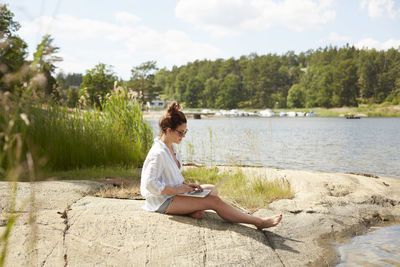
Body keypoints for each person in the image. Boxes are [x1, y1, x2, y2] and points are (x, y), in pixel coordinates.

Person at [140, 101, 282, 229]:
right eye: (181, 132)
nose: (183, 136)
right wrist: (177, 190)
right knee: (214, 201)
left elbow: (171, 176)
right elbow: (150, 184)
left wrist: (187, 186)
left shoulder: (170, 147)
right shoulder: (158, 153)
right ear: (169, 130)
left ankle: (190, 210)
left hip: (175, 193)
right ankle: (258, 222)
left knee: (211, 189)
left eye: (185, 132)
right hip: (162, 201)